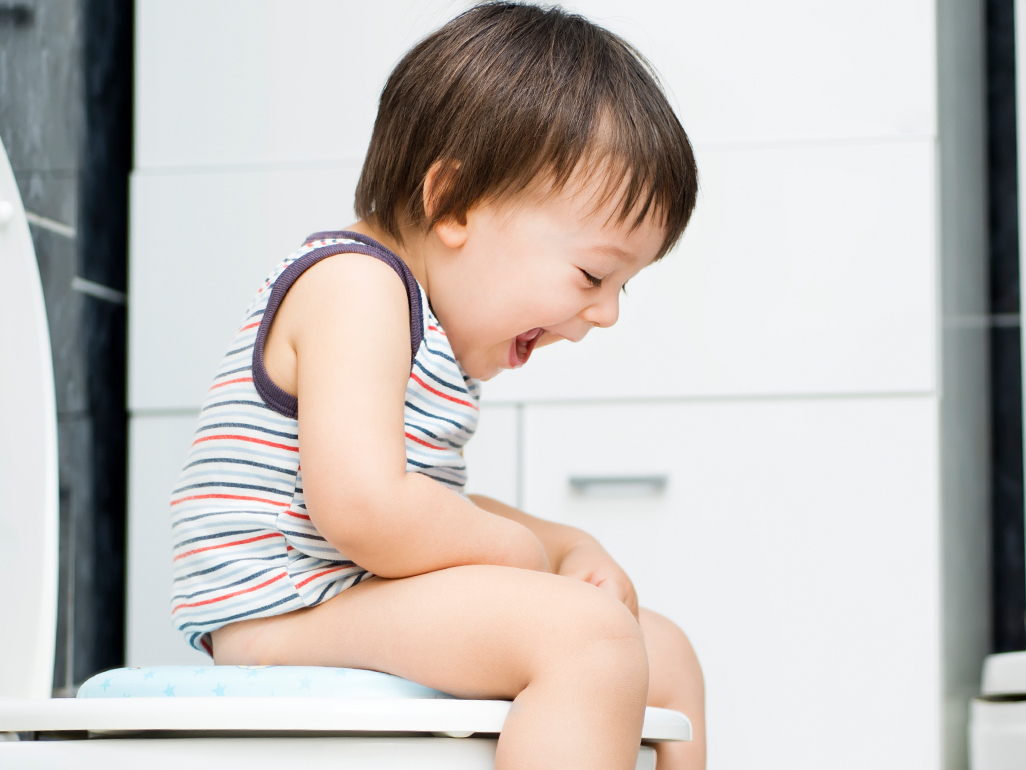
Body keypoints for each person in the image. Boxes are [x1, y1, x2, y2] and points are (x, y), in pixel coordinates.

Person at [169, 3, 702, 768]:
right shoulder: (355, 285)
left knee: (667, 655)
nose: (607, 312)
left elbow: (427, 504)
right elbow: (364, 506)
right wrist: (520, 554)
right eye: (592, 274)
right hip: (282, 615)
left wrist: (564, 547)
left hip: (350, 595)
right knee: (589, 636)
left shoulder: (425, 324)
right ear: (452, 203)